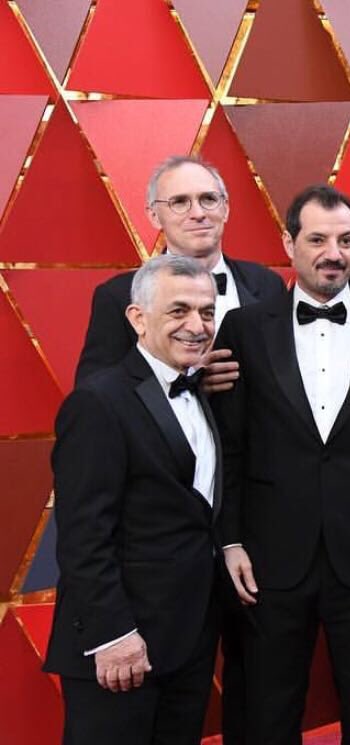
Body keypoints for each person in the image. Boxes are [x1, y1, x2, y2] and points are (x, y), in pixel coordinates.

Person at [212, 185, 350, 744]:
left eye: (345, 240)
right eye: (317, 240)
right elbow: (229, 448)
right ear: (288, 243)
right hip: (270, 558)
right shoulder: (244, 327)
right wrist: (230, 539)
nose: (333, 253)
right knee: (269, 714)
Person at [44, 255, 222, 744]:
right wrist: (113, 635)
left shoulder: (199, 391)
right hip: (121, 647)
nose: (196, 326)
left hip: (187, 641)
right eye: (179, 310)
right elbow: (82, 535)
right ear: (137, 319)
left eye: (207, 312)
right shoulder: (99, 401)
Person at [76, 155, 286, 383]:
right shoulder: (118, 296)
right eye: (179, 202)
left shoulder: (268, 284)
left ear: (225, 208)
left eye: (208, 199)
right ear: (154, 216)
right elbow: (93, 390)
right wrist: (186, 381)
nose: (198, 213)